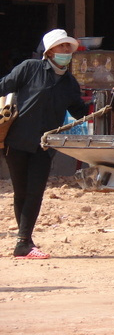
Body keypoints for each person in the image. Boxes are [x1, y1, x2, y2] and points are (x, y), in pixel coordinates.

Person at [0, 29, 89, 258]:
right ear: (49, 51)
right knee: (21, 192)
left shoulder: (70, 83)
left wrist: (102, 104)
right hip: (17, 142)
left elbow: (79, 110)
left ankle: (23, 243)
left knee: (35, 192)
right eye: (62, 47)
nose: (66, 52)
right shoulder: (30, 68)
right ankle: (24, 242)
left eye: (68, 48)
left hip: (44, 145)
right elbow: (4, 85)